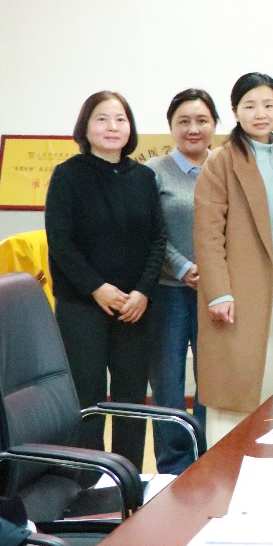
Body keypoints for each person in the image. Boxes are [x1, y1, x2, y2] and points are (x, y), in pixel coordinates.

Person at [45, 91, 164, 470]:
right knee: (88, 397)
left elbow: (158, 239)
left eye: (120, 119)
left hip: (134, 308)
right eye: (102, 118)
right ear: (85, 127)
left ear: (130, 128)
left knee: (131, 399)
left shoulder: (143, 177)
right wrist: (97, 288)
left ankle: (128, 477)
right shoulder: (68, 175)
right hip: (82, 305)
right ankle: (87, 479)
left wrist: (143, 292)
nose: (112, 127)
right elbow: (60, 242)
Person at [194, 72, 273, 446]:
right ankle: (226, 466)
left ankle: (269, 462)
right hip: (237, 293)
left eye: (269, 105)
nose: (261, 113)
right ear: (235, 111)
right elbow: (207, 236)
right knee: (235, 388)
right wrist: (218, 293)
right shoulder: (221, 161)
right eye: (250, 105)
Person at [145, 88, 218, 474]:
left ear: (215, 125)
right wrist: (183, 268)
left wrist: (215, 273)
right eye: (184, 121)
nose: (193, 129)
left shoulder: (223, 169)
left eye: (202, 120)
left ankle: (207, 459)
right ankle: (174, 466)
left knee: (212, 379)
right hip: (168, 293)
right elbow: (150, 231)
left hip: (215, 292)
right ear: (171, 126)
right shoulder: (153, 172)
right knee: (169, 384)